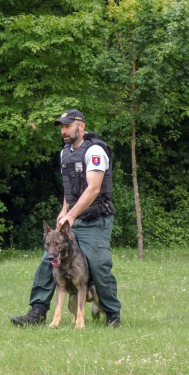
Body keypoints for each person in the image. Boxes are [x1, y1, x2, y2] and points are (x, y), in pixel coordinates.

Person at [11, 109, 123, 327]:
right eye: (62, 127)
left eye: (67, 126)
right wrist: (64, 210)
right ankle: (38, 311)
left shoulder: (95, 150)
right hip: (74, 218)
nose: (63, 131)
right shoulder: (65, 153)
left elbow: (93, 189)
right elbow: (70, 188)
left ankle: (112, 314)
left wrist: (71, 214)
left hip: (95, 220)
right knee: (50, 259)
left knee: (98, 264)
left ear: (81, 126)